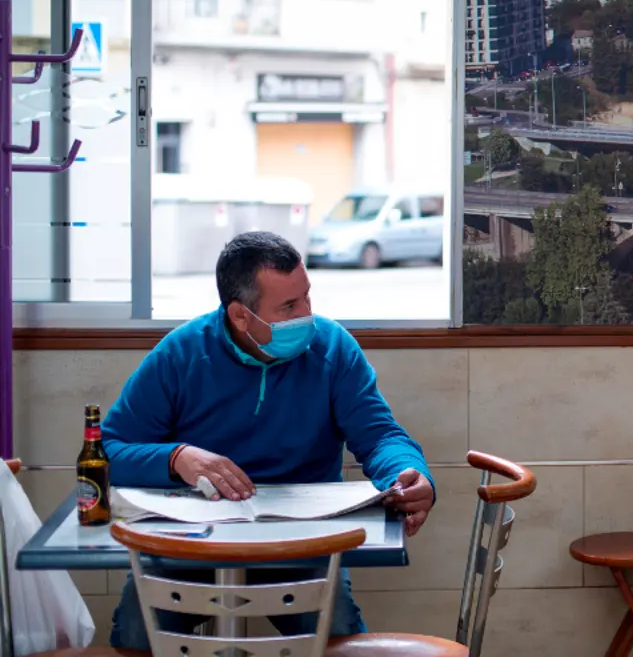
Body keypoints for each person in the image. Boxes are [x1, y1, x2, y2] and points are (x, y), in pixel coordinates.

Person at [102, 231, 436, 649]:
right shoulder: (180, 355)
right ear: (240, 316)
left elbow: (381, 435)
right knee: (136, 634)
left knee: (337, 637)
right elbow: (108, 453)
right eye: (289, 307)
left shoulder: (333, 349)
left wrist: (409, 471)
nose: (307, 315)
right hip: (188, 547)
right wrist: (176, 458)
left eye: (307, 297)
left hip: (304, 546)